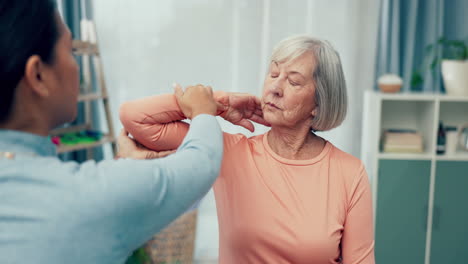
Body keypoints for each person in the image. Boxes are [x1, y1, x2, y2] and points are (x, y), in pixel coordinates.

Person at [0, 1, 224, 263]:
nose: (78, 68)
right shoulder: (84, 199)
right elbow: (201, 164)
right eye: (71, 51)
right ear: (38, 75)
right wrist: (203, 110)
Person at [120, 35, 375, 263]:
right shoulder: (227, 151)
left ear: (319, 104)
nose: (275, 88)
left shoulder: (349, 173)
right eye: (273, 74)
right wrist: (219, 103)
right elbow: (135, 117)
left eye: (293, 82)